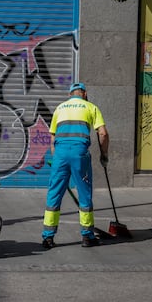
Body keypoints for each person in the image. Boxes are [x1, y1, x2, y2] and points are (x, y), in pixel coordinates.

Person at [42, 82, 109, 248]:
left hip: (60, 155)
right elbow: (103, 133)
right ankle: (87, 236)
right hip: (80, 155)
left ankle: (48, 237)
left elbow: (52, 137)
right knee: (84, 194)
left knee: (54, 194)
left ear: (70, 94)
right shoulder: (91, 107)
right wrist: (104, 155)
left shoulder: (60, 108)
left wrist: (56, 157)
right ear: (84, 94)